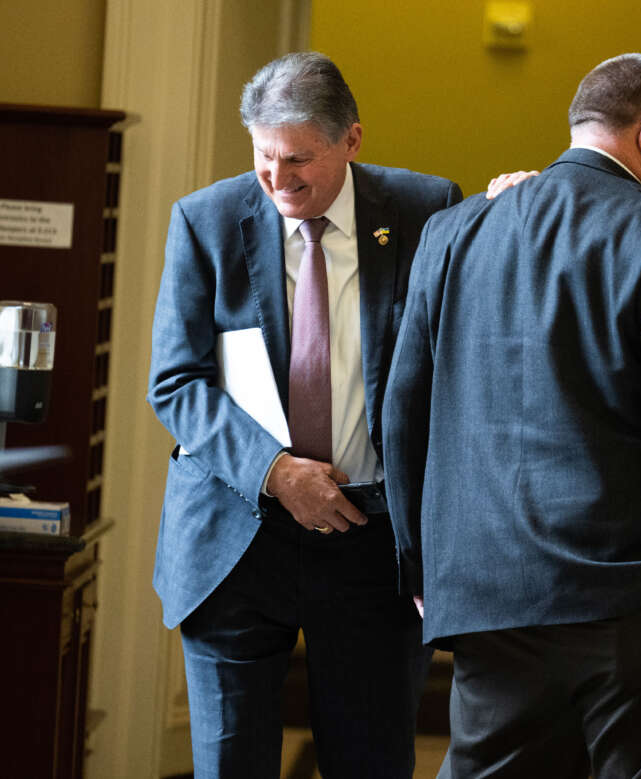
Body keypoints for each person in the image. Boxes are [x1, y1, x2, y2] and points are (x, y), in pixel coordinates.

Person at [382, 52, 641, 778]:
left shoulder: (453, 232)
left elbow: (404, 415)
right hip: (637, 598)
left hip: (486, 592)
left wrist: (420, 563)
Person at [146, 51, 462, 778]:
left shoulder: (426, 211)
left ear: (351, 140)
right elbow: (177, 380)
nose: (279, 181)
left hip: (371, 540)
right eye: (264, 158)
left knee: (371, 762)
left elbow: (468, 355)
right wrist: (277, 473)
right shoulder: (207, 221)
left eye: (299, 160)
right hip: (235, 537)